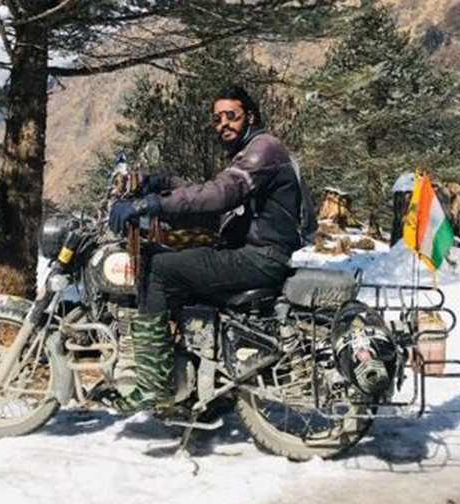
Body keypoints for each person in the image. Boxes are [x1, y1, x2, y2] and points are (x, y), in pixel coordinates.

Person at [108, 85, 314, 411]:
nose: (223, 124)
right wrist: (164, 183)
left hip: (259, 257)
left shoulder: (264, 149)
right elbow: (214, 193)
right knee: (173, 259)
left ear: (250, 116)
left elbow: (219, 195)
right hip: (255, 252)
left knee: (157, 269)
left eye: (231, 115)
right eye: (217, 119)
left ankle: (153, 384)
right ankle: (197, 386)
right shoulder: (250, 153)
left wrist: (151, 204)